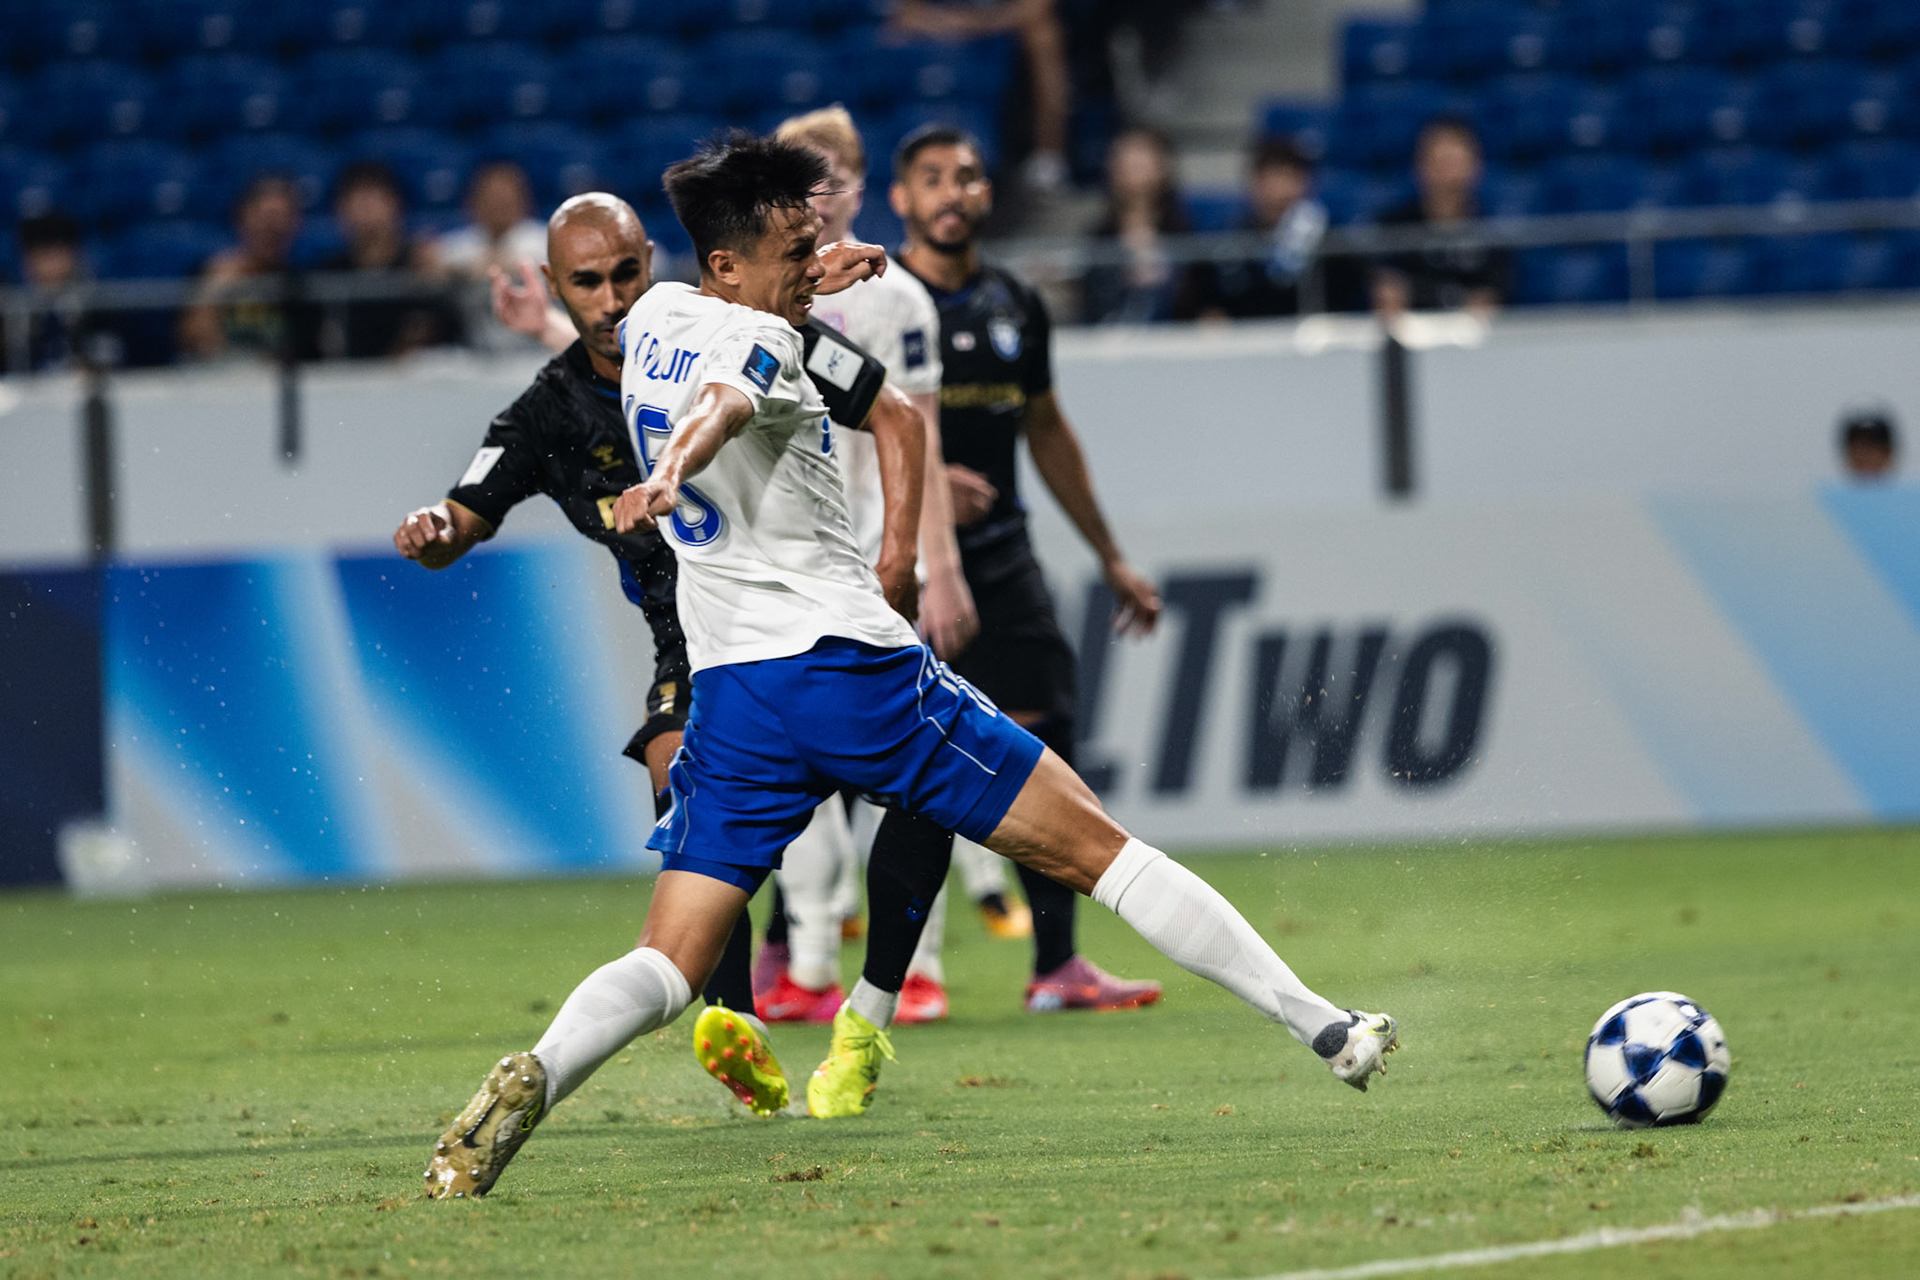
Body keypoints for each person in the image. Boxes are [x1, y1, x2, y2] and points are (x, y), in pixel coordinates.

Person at [422, 133, 1395, 1200]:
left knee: (666, 962)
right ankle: (1328, 1026)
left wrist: (801, 290)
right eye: (799, 246)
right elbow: (731, 398)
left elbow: (735, 350)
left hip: (735, 699)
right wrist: (673, 466)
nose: (820, 257)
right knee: (1102, 851)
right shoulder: (770, 351)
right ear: (730, 265)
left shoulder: (654, 318)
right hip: (848, 671)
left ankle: (537, 1072)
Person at [393, 191, 904, 1115]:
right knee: (682, 783)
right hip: (695, 643)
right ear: (558, 288)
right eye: (586, 282)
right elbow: (462, 516)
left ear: (654, 264)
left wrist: (903, 553)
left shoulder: (729, 329)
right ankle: (738, 1023)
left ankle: (873, 1011)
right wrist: (433, 529)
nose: (612, 295)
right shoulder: (545, 413)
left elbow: (893, 411)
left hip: (819, 614)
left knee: (933, 804)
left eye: (627, 273)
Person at [888, 122, 1165, 1016]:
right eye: (932, 177)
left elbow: (1047, 431)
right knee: (882, 769)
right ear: (900, 199)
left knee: (1049, 733)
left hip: (1002, 558)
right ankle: (863, 973)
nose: (952, 192)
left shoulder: (1014, 304)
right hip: (892, 560)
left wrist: (1112, 555)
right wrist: (924, 486)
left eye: (967, 175)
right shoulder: (876, 304)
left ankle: (1056, 964)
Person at [890, 0, 1071, 194]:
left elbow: (1036, 10)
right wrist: (943, 23)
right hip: (941, 39)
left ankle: (1048, 154)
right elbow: (907, 15)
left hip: (1001, 42)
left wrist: (973, 24)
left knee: (1043, 36)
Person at [1372, 117, 1509, 319]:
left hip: (1470, 341)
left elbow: (1487, 304)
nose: (1448, 174)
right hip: (1412, 336)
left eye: (1455, 161)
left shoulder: (1493, 231)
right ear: (1420, 166)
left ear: (1475, 165)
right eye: (1439, 161)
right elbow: (1389, 299)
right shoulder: (1394, 226)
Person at [319, 161, 457, 359]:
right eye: (357, 198)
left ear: (395, 204)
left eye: (374, 197)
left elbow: (448, 332)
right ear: (341, 210)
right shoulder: (329, 274)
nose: (366, 207)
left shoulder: (420, 266)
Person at [1189, 136, 1328, 320]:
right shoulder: (1227, 242)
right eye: (1274, 177)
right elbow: (1207, 306)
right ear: (1254, 183)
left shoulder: (1327, 240)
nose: (1283, 190)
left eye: (1292, 178)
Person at [178, 173, 311, 361]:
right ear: (241, 219)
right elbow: (193, 341)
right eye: (264, 218)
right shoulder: (211, 272)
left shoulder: (303, 285)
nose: (272, 228)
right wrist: (213, 292)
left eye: (281, 218)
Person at [1080, 125, 1195, 325]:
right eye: (1125, 156)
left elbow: (1197, 298)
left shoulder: (1184, 232)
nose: (1133, 163)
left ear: (1162, 166)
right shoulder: (1100, 236)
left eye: (1142, 154)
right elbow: (1091, 300)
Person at [435, 161, 551, 352]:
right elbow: (432, 265)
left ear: (523, 199)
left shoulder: (544, 238)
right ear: (473, 201)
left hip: (536, 347)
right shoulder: (460, 243)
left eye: (505, 197)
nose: (498, 204)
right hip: (474, 349)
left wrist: (476, 269)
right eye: (490, 197)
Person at [1840, 410, 1899, 481]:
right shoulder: (1826, 491)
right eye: (1858, 448)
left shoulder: (1910, 490)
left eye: (1872, 448)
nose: (1864, 456)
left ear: (1888, 453)